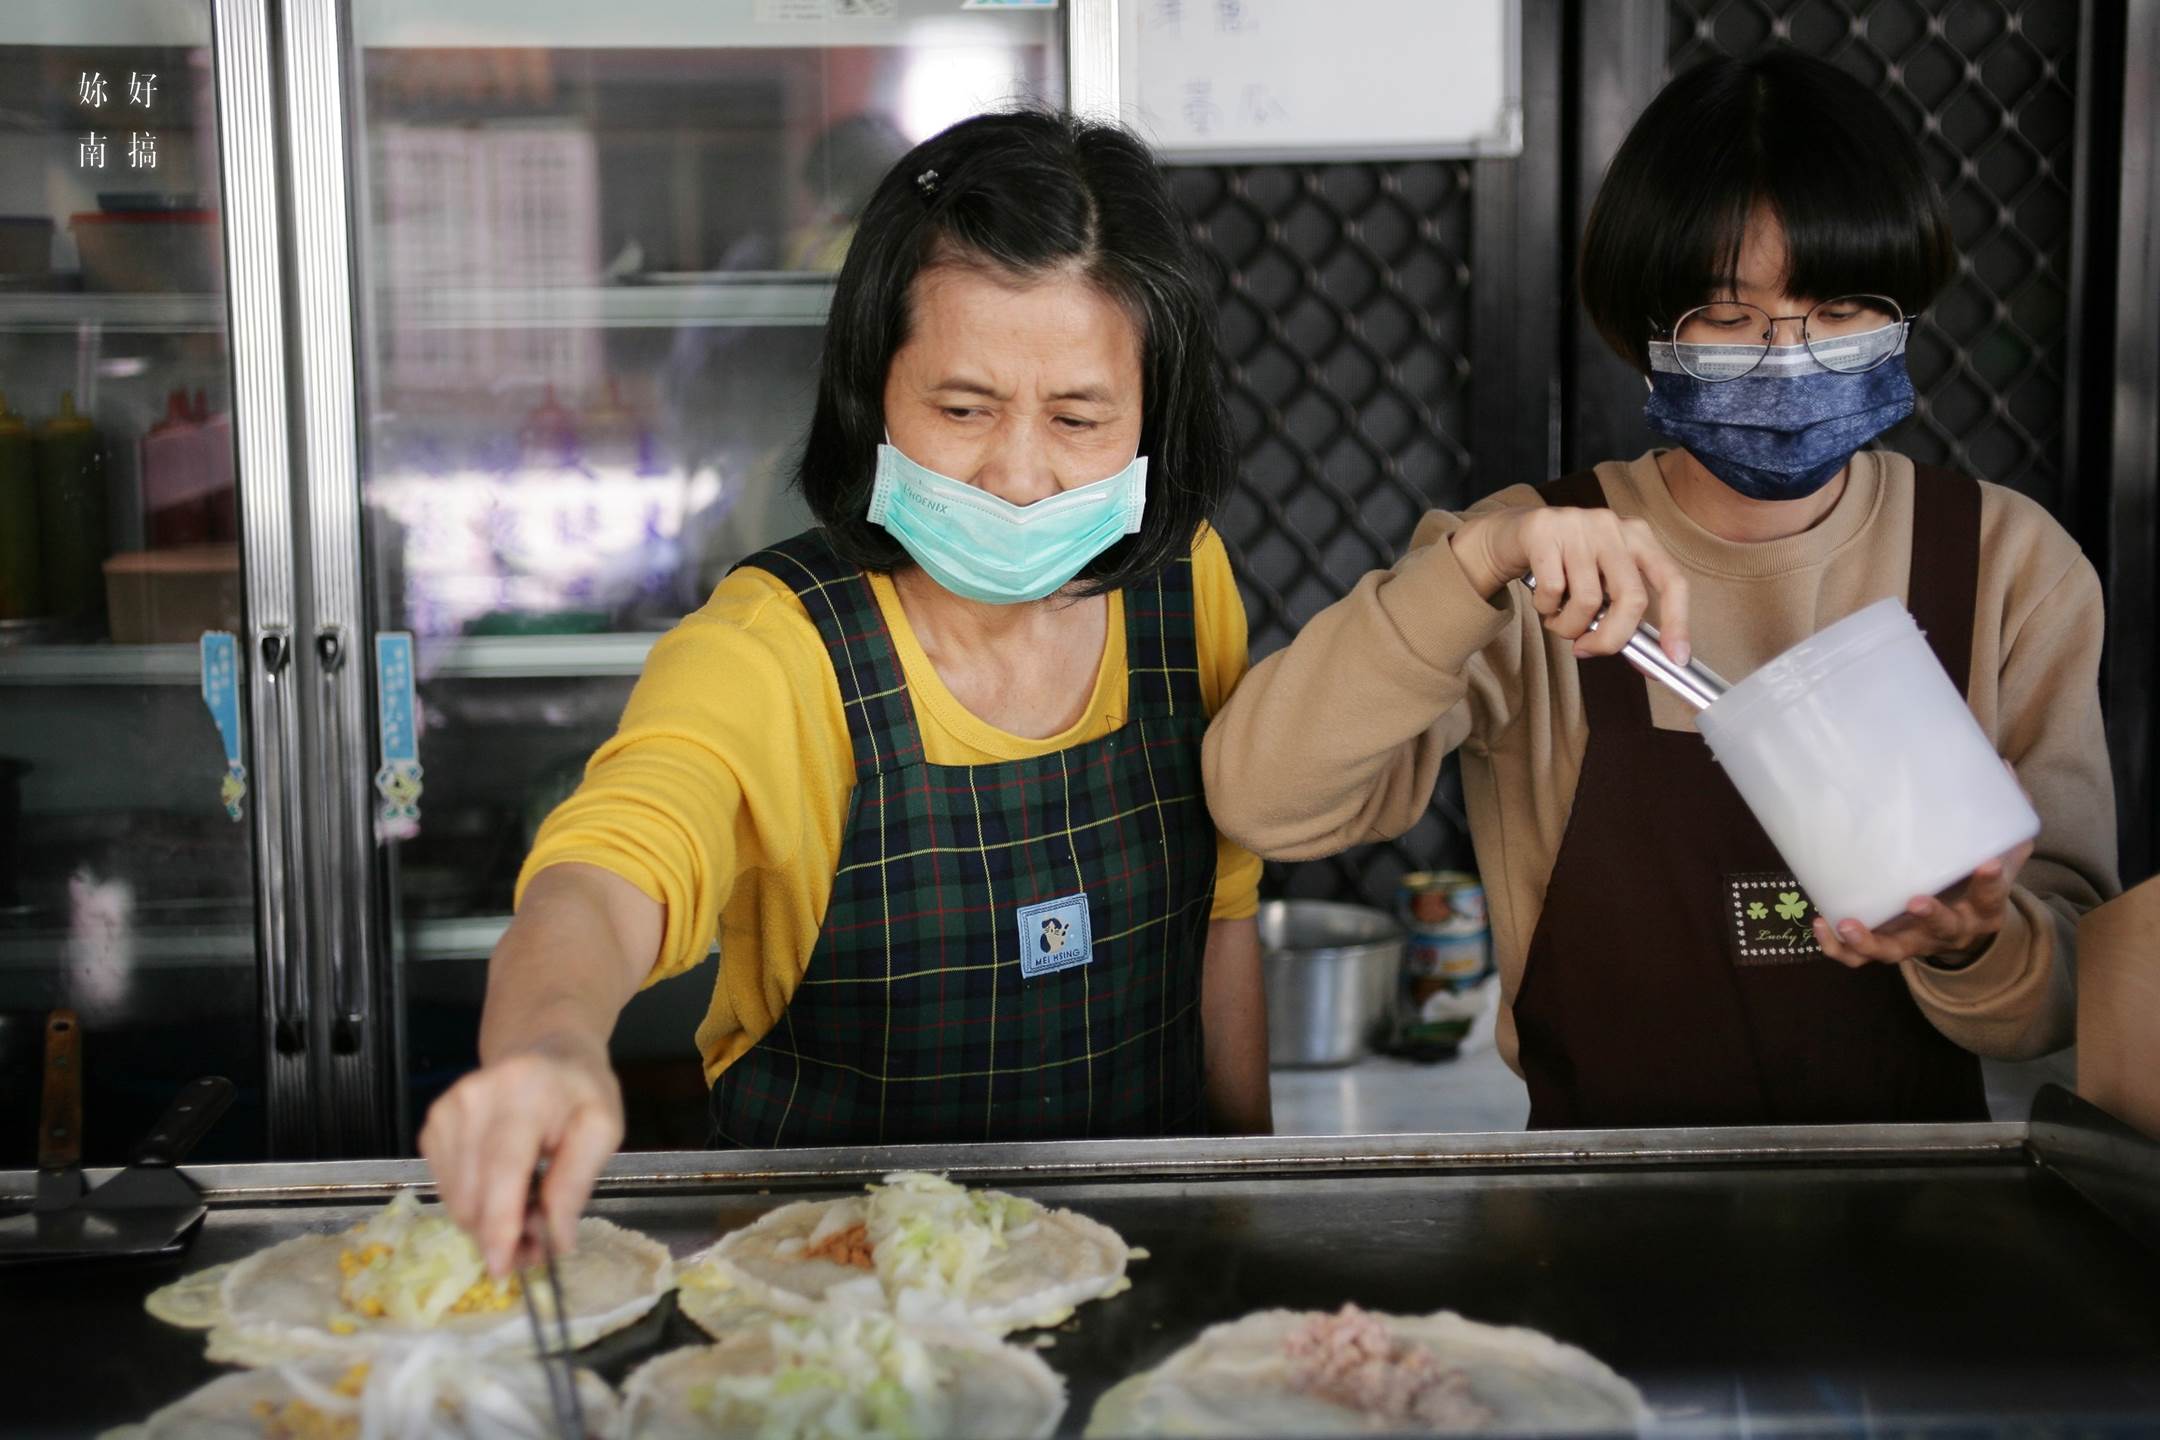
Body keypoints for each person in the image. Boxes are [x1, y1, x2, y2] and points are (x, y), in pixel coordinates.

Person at [1202, 52, 2118, 1131]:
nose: (1791, 362)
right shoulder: (1529, 562)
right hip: (1596, 1223)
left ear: (1905, 309)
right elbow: (1262, 801)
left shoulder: (2008, 564)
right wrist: (1473, 565)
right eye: (1725, 321)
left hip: (1914, 1219)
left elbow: (2068, 990)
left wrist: (1975, 940)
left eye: (1838, 312)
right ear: (1643, 331)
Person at [424, 111, 1270, 1275]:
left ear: (1149, 421)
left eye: (1079, 419)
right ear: (874, 397)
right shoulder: (773, 653)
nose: (1021, 477)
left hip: (1147, 1286)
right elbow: (606, 874)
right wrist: (553, 1047)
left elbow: (1223, 913)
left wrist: (1250, 1209)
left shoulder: (1189, 587)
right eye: (963, 410)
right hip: (837, 1328)